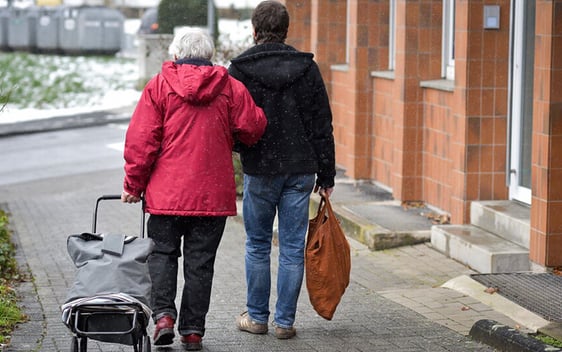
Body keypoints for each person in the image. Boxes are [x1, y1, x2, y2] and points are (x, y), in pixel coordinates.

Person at [121, 28, 267, 351]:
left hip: (166, 197)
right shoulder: (229, 87)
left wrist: (133, 185)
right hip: (211, 196)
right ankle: (192, 331)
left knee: (161, 255)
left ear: (175, 55)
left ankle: (163, 317)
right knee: (200, 263)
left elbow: (141, 141)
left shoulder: (159, 87)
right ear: (210, 56)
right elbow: (254, 125)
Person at [228, 0, 336, 340]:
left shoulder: (241, 70)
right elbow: (322, 124)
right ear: (286, 30)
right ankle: (285, 323)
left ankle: (257, 318)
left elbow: (230, 121)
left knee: (258, 244)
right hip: (300, 169)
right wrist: (327, 174)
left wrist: (242, 149)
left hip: (260, 168)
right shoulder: (306, 68)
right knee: (291, 247)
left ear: (254, 30)